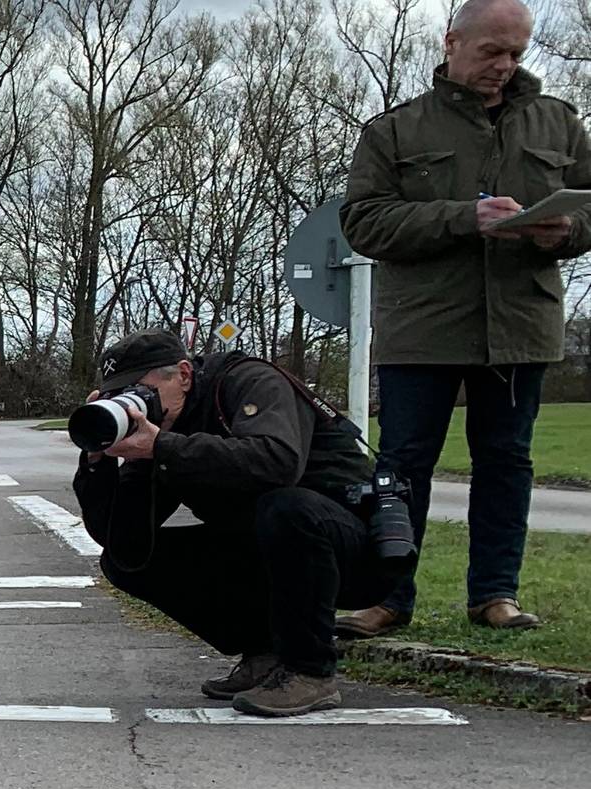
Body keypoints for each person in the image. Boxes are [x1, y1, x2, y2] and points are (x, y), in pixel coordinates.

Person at [338, 0, 587, 638]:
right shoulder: (395, 131)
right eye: (490, 52)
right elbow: (363, 223)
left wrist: (561, 232)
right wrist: (461, 217)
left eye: (516, 54)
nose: (504, 66)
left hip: (520, 327)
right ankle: (386, 597)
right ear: (453, 42)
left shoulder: (558, 122)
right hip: (420, 330)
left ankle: (495, 596)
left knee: (507, 463)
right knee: (401, 465)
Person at [72, 332, 395, 718]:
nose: (134, 404)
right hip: (266, 552)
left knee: (286, 507)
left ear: (185, 375)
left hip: (354, 553)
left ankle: (310, 671)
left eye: (140, 391)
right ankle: (265, 655)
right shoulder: (161, 429)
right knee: (125, 561)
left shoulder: (249, 381)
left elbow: (278, 462)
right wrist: (97, 460)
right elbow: (122, 539)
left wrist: (164, 447)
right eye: (119, 396)